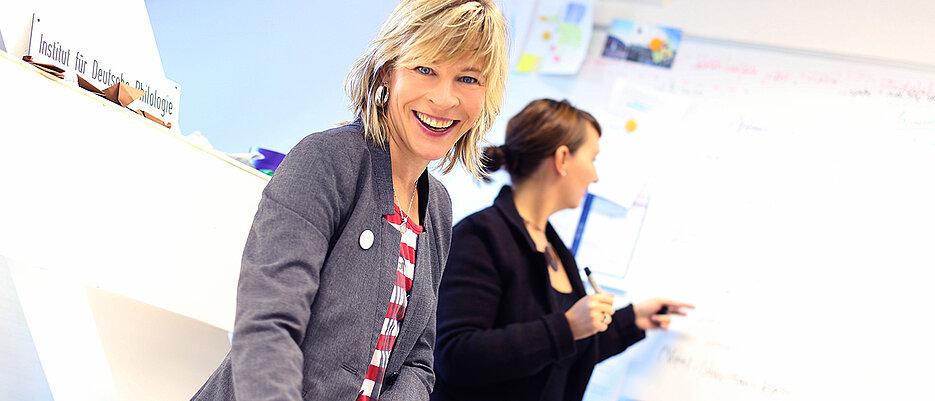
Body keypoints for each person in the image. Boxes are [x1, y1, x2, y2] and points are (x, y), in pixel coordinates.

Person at [191, 1, 507, 400]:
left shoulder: (438, 207)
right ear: (387, 72)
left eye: (468, 78)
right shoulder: (325, 161)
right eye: (425, 69)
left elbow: (418, 360)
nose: (444, 99)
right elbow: (267, 328)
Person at [431, 99, 694, 401]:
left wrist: (631, 320)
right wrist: (566, 327)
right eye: (593, 159)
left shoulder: (554, 247)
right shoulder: (480, 236)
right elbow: (455, 356)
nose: (595, 176)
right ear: (563, 159)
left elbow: (561, 353)